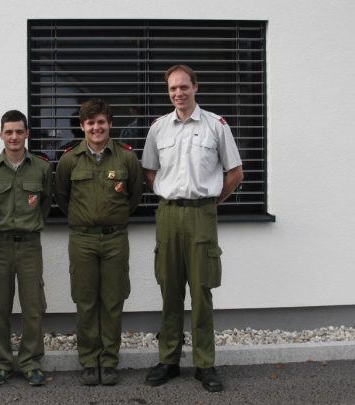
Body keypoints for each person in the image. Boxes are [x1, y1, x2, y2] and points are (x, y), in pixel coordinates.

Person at [141, 65, 244, 393]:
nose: (178, 93)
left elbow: (235, 171)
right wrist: (167, 192)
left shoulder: (216, 125)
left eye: (184, 87)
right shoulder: (158, 128)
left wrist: (213, 202)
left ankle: (204, 364)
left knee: (201, 291)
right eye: (172, 88)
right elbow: (149, 170)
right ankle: (168, 361)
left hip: (202, 215)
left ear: (195, 87)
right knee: (169, 290)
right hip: (169, 215)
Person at [54, 99, 143, 386]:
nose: (96, 127)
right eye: (90, 123)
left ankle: (109, 361)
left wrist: (110, 218)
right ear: (82, 127)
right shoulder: (69, 160)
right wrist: (85, 219)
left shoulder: (127, 158)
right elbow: (62, 198)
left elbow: (134, 197)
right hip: (82, 240)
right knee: (86, 301)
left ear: (110, 124)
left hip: (115, 238)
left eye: (101, 122)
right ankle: (90, 361)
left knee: (113, 301)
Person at [0, 110, 52, 387]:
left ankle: (31, 362)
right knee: (0, 306)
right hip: (0, 245)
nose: (14, 137)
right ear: (1, 134)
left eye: (19, 131)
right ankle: (1, 363)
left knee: (33, 307)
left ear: (27, 134)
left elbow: (44, 206)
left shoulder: (42, 168)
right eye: (8, 132)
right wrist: (0, 230)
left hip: (30, 245)